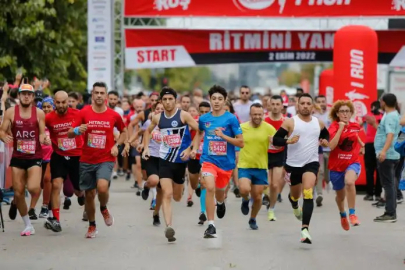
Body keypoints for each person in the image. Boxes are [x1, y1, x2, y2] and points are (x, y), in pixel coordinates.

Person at [68, 82, 129, 238]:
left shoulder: (114, 115)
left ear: (106, 96)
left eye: (102, 93)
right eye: (97, 93)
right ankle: (92, 225)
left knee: (102, 188)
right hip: (87, 159)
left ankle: (103, 207)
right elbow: (69, 133)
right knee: (89, 194)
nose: (100, 95)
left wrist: (117, 145)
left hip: (106, 158)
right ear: (92, 95)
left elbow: (124, 131)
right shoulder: (84, 112)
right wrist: (76, 130)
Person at [142, 87, 198, 242]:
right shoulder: (157, 118)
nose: (167, 102)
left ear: (175, 100)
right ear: (161, 101)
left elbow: (200, 131)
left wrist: (190, 148)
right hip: (164, 160)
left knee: (177, 197)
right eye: (164, 100)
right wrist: (146, 147)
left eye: (170, 99)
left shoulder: (184, 115)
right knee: (166, 193)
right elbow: (147, 132)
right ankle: (169, 227)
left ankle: (183, 185)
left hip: (180, 161)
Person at [272, 93, 329, 244]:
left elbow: (326, 134)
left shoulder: (319, 123)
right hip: (293, 165)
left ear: (312, 106)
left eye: (308, 103)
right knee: (295, 195)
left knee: (308, 191)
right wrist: (288, 141)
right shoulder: (291, 122)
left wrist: (324, 141)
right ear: (297, 105)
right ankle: (295, 204)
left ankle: (305, 230)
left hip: (311, 163)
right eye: (302, 103)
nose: (305, 106)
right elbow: (276, 139)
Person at [190, 85, 244, 239]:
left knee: (220, 192)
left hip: (226, 164)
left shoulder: (231, 119)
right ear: (210, 100)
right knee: (209, 186)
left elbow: (241, 143)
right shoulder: (204, 118)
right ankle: (211, 225)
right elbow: (199, 132)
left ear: (225, 100)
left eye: (220, 99)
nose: (217, 101)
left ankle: (220, 203)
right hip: (208, 160)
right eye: (214, 98)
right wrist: (194, 148)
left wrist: (223, 136)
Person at [0, 84, 50, 236]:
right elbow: (2, 130)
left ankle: (17, 200)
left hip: (34, 156)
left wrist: (44, 139)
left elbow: (41, 133)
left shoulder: (39, 113)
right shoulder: (11, 112)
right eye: (23, 94)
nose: (26, 96)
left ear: (33, 97)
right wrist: (3, 136)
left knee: (34, 188)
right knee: (18, 191)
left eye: (29, 94)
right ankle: (28, 225)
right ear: (19, 96)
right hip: (18, 157)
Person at [44, 91, 86, 233]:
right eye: (58, 102)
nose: (61, 105)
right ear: (54, 102)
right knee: (56, 185)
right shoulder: (49, 118)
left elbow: (89, 128)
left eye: (64, 102)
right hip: (59, 156)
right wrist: (43, 138)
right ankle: (55, 219)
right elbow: (41, 131)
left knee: (78, 189)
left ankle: (82, 195)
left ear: (68, 101)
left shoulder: (78, 114)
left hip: (76, 156)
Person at [239, 103, 276, 230]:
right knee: (244, 189)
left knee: (258, 197)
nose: (257, 117)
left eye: (259, 114)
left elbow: (277, 143)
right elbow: (234, 140)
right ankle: (244, 199)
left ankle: (253, 218)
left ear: (263, 114)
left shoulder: (269, 128)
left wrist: (275, 143)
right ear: (250, 115)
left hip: (260, 167)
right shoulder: (241, 127)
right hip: (245, 165)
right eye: (254, 114)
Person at [327, 100, 363, 230]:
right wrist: (341, 128)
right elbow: (331, 146)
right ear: (337, 113)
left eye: (347, 111)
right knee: (340, 197)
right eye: (342, 111)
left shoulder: (355, 125)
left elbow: (355, 135)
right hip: (336, 167)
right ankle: (342, 214)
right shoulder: (333, 127)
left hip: (352, 162)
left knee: (349, 182)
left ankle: (352, 214)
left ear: (351, 113)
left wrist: (362, 145)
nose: (345, 114)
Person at [131, 101, 165, 226]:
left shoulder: (171, 124)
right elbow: (142, 134)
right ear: (154, 111)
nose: (160, 111)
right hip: (151, 156)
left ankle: (156, 214)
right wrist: (140, 145)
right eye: (158, 109)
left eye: (163, 109)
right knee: (154, 181)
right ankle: (146, 186)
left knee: (161, 189)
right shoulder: (149, 123)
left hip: (165, 158)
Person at [370, 93, 401, 223]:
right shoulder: (393, 115)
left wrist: (383, 151)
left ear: (383, 102)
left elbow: (390, 135)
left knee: (388, 184)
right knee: (390, 183)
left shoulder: (390, 116)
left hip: (387, 155)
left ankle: (390, 213)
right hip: (391, 154)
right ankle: (390, 211)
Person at [264, 95, 286, 221]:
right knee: (265, 184)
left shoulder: (286, 121)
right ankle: (265, 196)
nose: (275, 107)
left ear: (282, 106)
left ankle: (271, 209)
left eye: (278, 104)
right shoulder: (264, 120)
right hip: (265, 153)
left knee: (275, 184)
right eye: (273, 104)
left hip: (279, 154)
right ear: (269, 105)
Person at [188, 101, 211, 224]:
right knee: (193, 184)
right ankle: (195, 186)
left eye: (206, 112)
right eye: (201, 112)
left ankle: (202, 212)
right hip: (193, 157)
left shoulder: (213, 123)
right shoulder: (194, 123)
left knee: (203, 183)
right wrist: (191, 149)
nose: (204, 114)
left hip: (206, 158)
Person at [363, 101, 383, 202]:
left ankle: (378, 194)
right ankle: (370, 193)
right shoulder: (368, 115)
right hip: (369, 144)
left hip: (379, 144)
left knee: (379, 170)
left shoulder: (382, 116)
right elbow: (360, 121)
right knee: (369, 170)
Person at [313, 95, 331, 207]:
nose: (321, 103)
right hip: (317, 148)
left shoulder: (331, 115)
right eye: (318, 101)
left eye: (323, 101)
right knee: (320, 172)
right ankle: (319, 194)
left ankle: (328, 182)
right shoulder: (313, 116)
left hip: (329, 148)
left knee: (327, 173)